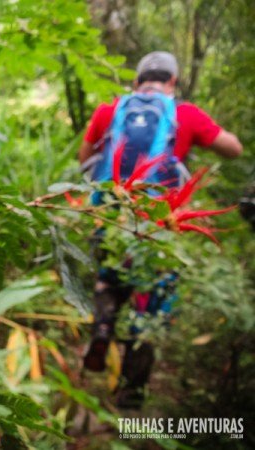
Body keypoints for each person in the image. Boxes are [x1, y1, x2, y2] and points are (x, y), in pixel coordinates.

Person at [78, 51, 243, 408]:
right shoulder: (184, 113)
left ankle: (103, 330)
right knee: (148, 305)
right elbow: (234, 148)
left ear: (137, 81)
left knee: (108, 279)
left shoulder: (111, 109)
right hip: (158, 222)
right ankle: (131, 394)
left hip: (111, 214)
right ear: (172, 82)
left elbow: (84, 159)